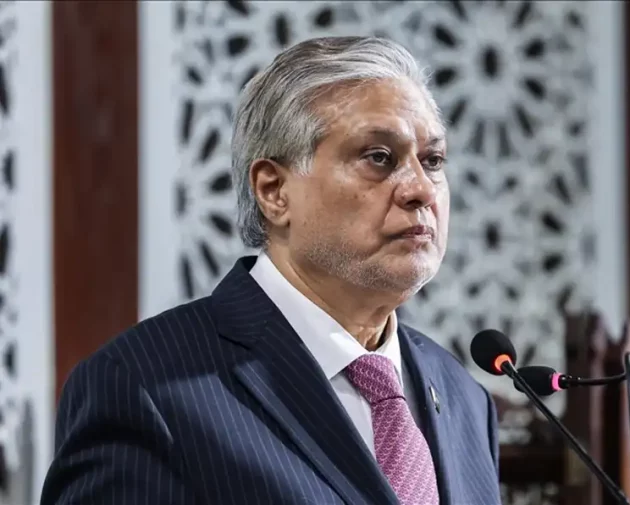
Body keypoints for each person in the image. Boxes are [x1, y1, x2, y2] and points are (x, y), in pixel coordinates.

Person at [40, 36, 501, 505]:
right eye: (379, 157)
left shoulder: (464, 396)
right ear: (274, 191)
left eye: (433, 160)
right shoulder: (144, 385)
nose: (422, 189)